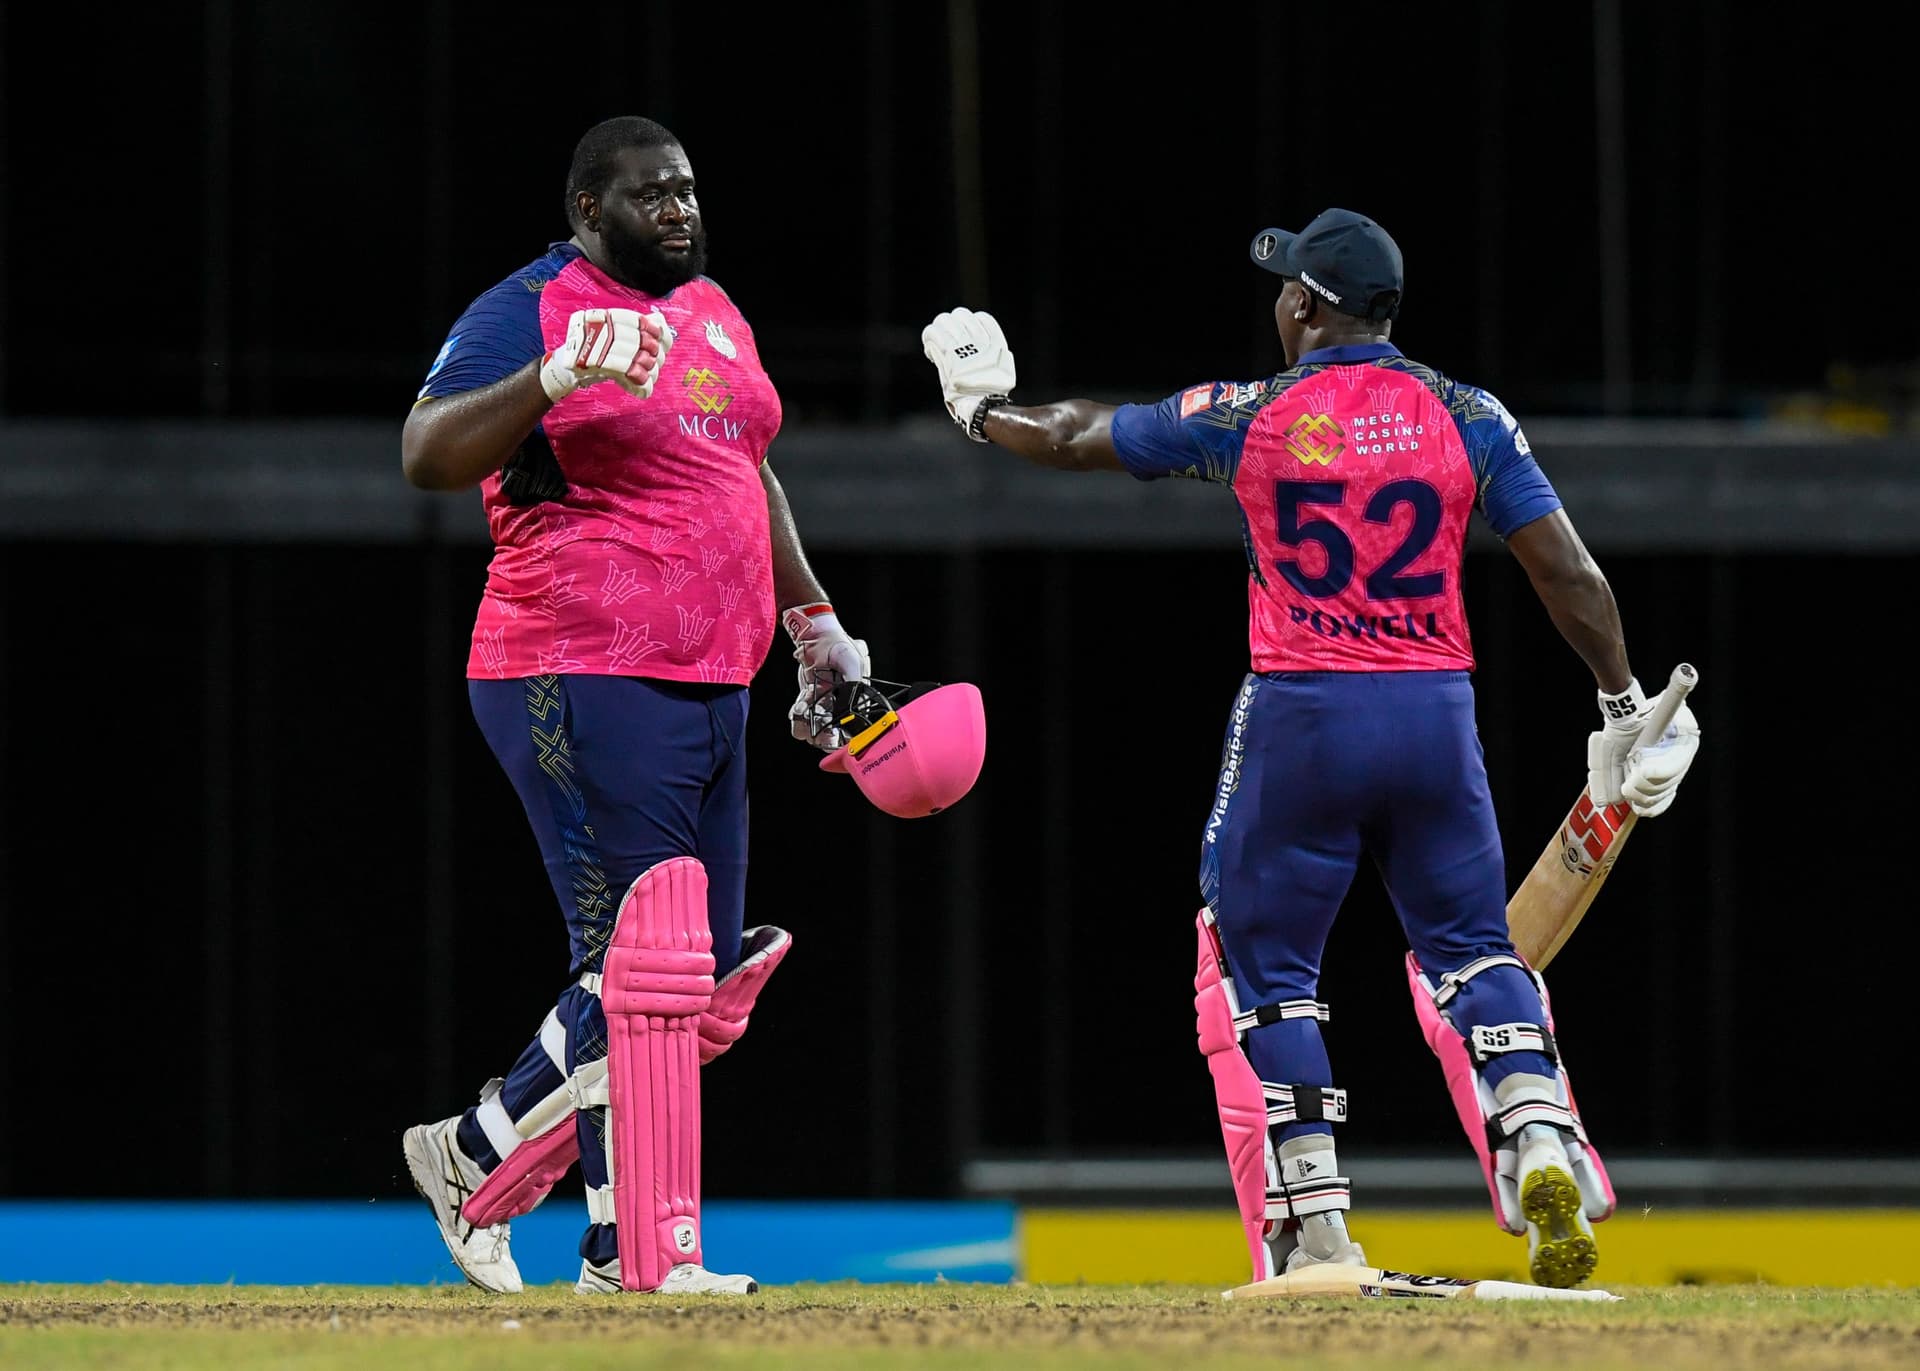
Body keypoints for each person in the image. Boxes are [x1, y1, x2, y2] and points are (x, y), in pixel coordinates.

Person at [919, 208, 1700, 1289]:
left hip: (1304, 715)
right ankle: (1535, 1140)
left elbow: (1073, 436)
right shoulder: (1466, 411)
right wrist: (1622, 699)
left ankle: (1317, 1221)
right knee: (1473, 948)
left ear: (1305, 305)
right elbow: (1564, 569)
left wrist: (981, 410)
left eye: (1285, 287)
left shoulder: (1253, 411)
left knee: (1266, 967)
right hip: (1436, 717)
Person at [398, 115, 874, 1296]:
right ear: (586, 214)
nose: (678, 210)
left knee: (692, 978)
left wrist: (812, 621)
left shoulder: (714, 310)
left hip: (716, 674)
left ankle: (479, 1158)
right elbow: (424, 453)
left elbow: (743, 467)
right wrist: (552, 377)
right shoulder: (532, 307)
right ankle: (631, 1249)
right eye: (651, 195)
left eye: (689, 191)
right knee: (639, 969)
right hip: (574, 662)